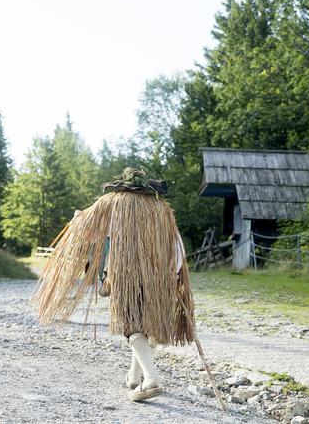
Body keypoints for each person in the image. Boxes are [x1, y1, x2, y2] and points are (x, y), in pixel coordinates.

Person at [34, 168, 195, 402]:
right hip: (162, 279)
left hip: (128, 278)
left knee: (131, 326)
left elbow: (87, 231)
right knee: (142, 325)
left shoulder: (114, 203)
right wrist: (175, 275)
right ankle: (133, 376)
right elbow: (177, 247)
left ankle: (151, 379)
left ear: (123, 185)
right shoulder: (162, 210)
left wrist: (79, 217)